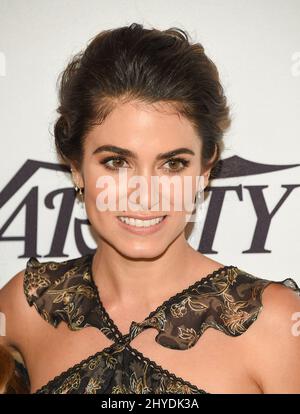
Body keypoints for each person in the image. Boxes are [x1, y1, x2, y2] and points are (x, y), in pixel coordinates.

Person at [1, 22, 300, 394]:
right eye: (116, 162)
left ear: (205, 170)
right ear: (76, 167)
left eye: (173, 164)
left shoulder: (275, 325)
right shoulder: (26, 307)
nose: (145, 195)